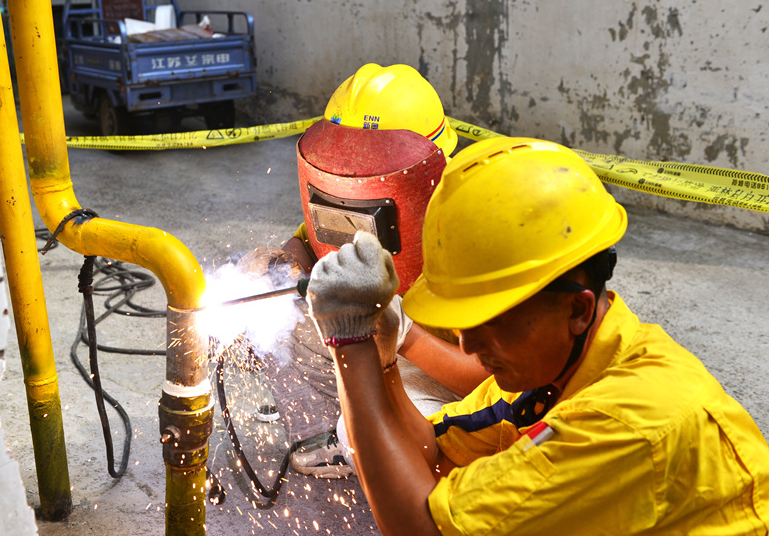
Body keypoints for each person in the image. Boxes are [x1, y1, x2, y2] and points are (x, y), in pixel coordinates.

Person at [304, 136, 769, 534]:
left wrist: (350, 345)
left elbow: (419, 527)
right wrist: (385, 361)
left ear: (578, 309)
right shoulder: (554, 368)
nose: (467, 345)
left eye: (493, 321)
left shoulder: (629, 421)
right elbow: (430, 455)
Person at [242, 63, 489, 479]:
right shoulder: (350, 195)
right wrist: (284, 266)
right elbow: (308, 240)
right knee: (276, 322)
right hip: (389, 347)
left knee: (367, 434)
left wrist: (405, 334)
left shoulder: (473, 233)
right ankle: (346, 433)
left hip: (450, 382)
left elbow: (488, 379)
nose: (354, 181)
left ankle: (406, 466)